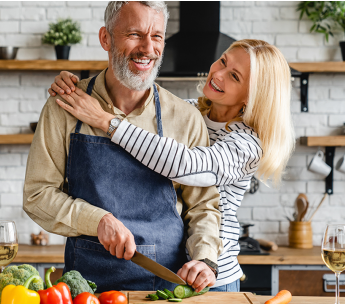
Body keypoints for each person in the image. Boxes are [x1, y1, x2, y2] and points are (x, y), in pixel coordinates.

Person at [47, 39, 295, 292]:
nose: (218, 74)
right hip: (173, 267)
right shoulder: (187, 111)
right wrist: (81, 89)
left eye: (234, 76)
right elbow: (135, 110)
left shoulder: (247, 143)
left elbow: (187, 166)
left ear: (254, 95)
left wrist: (104, 120)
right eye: (222, 61)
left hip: (211, 272)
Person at [23, 1, 223, 293]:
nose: (147, 48)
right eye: (134, 34)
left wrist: (205, 259)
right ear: (105, 38)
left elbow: (203, 205)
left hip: (166, 288)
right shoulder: (64, 106)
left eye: (156, 36)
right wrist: (97, 220)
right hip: (86, 289)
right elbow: (37, 195)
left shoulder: (184, 117)